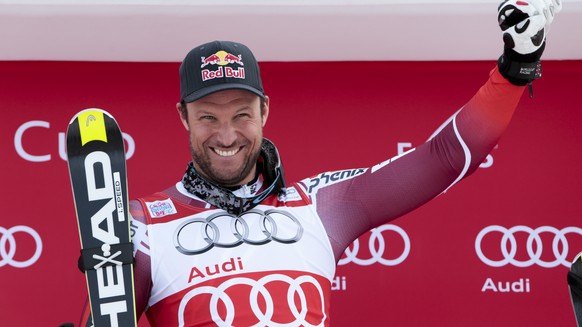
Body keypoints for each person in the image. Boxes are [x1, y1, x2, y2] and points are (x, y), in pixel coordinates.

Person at [77, 0, 561, 326]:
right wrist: (106, 272)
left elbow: (444, 158)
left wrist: (515, 69)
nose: (226, 135)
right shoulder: (140, 223)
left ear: (265, 111)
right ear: (184, 117)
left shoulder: (321, 205)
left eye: (242, 115)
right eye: (208, 117)